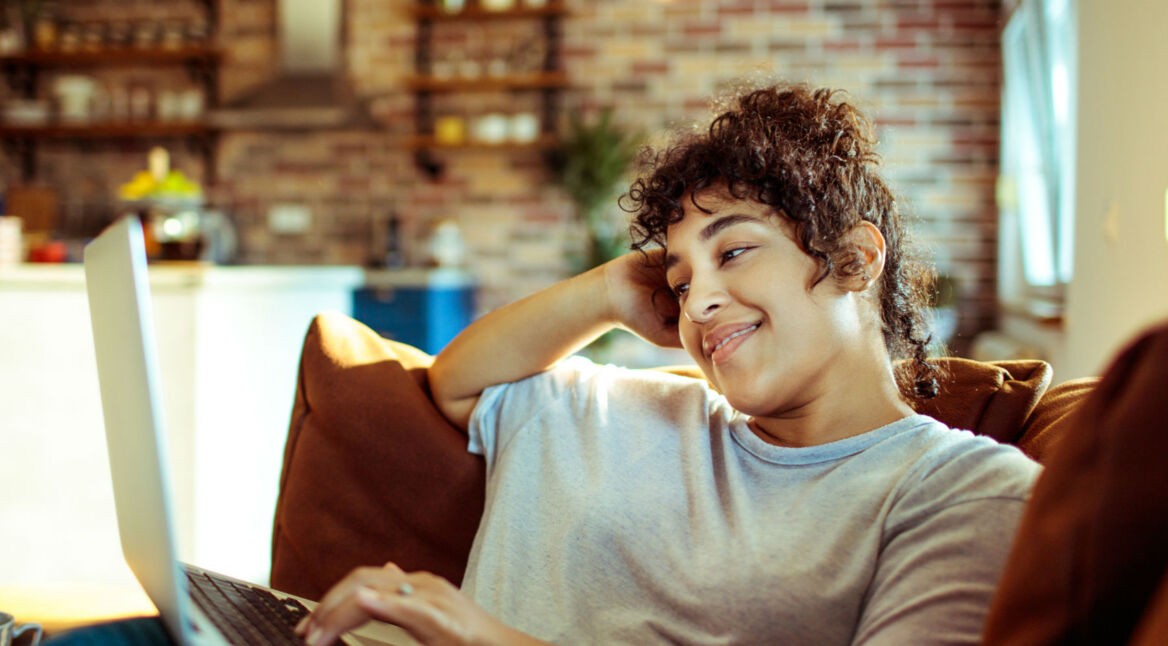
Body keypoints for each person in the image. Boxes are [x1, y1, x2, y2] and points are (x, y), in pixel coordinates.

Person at [297, 83, 1041, 645]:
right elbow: (456, 384)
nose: (699, 303)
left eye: (734, 251)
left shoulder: (965, 490)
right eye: (680, 283)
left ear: (855, 257)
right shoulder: (617, 409)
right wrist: (606, 292)